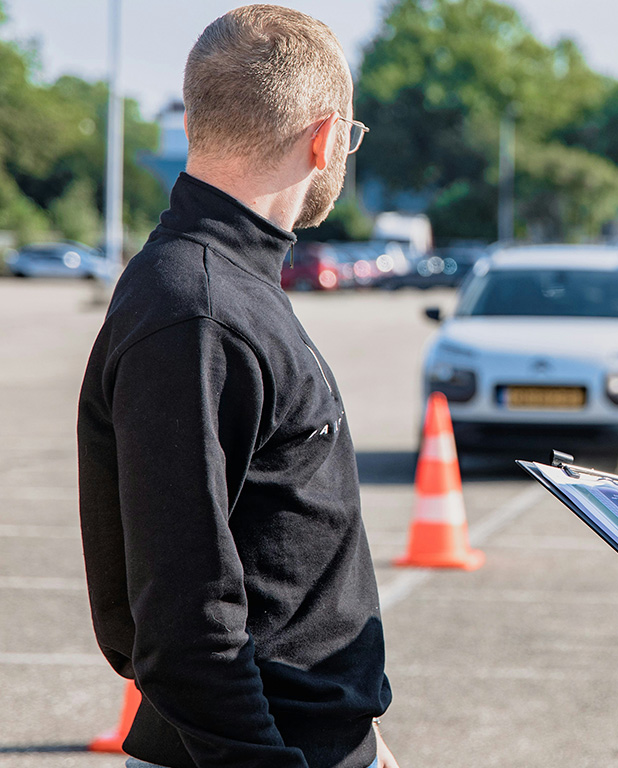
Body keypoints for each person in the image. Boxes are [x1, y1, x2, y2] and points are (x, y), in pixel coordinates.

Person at [77, 6, 395, 767]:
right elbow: (186, 629)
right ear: (324, 139)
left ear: (194, 120)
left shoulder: (227, 286)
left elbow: (281, 563)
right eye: (348, 137)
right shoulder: (198, 311)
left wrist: (365, 740)